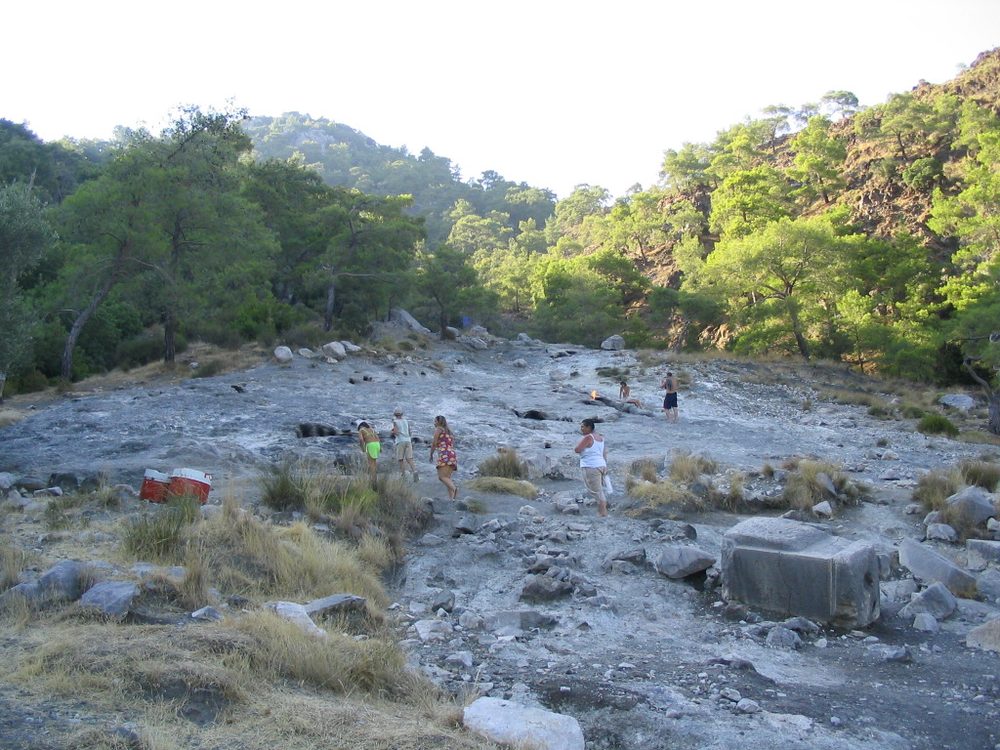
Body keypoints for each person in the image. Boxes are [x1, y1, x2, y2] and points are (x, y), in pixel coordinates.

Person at [574, 418, 608, 517]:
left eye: (582, 426)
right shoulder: (600, 438)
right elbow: (604, 452)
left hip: (591, 466)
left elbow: (577, 449)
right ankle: (602, 512)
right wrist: (605, 465)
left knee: (596, 492)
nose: (581, 429)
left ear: (589, 427)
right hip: (601, 465)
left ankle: (603, 514)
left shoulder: (588, 438)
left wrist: (577, 447)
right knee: (599, 490)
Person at [430, 415, 458, 500]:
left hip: (445, 454)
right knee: (447, 478)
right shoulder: (448, 431)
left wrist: (431, 454)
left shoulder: (438, 429)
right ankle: (452, 500)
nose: (434, 423)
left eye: (435, 421)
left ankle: (455, 489)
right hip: (452, 454)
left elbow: (434, 443)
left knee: (441, 477)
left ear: (439, 422)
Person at [391, 407, 419, 482]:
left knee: (400, 459)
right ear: (402, 414)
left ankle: (403, 475)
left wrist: (392, 432)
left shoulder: (395, 421)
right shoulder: (406, 421)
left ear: (395, 414)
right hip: (408, 440)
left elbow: (396, 432)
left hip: (400, 441)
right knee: (409, 458)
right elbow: (410, 432)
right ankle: (415, 471)